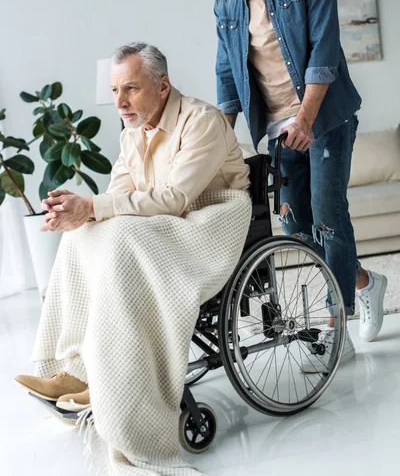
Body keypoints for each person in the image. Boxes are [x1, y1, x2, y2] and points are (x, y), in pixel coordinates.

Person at [15, 42, 252, 475]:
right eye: (114, 90)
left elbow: (178, 197)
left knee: (119, 237)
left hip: (212, 216)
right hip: (158, 221)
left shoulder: (202, 121)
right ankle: (76, 370)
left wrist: (97, 208)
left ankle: (117, 392)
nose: (119, 102)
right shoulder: (131, 133)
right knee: (84, 234)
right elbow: (117, 198)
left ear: (162, 86)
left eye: (131, 89)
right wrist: (76, 213)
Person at [210, 0, 387, 372]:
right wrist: (219, 144)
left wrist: (306, 118)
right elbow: (228, 72)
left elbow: (325, 49)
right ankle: (365, 283)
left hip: (325, 116)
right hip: (277, 129)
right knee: (294, 227)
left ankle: (337, 329)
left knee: (329, 214)